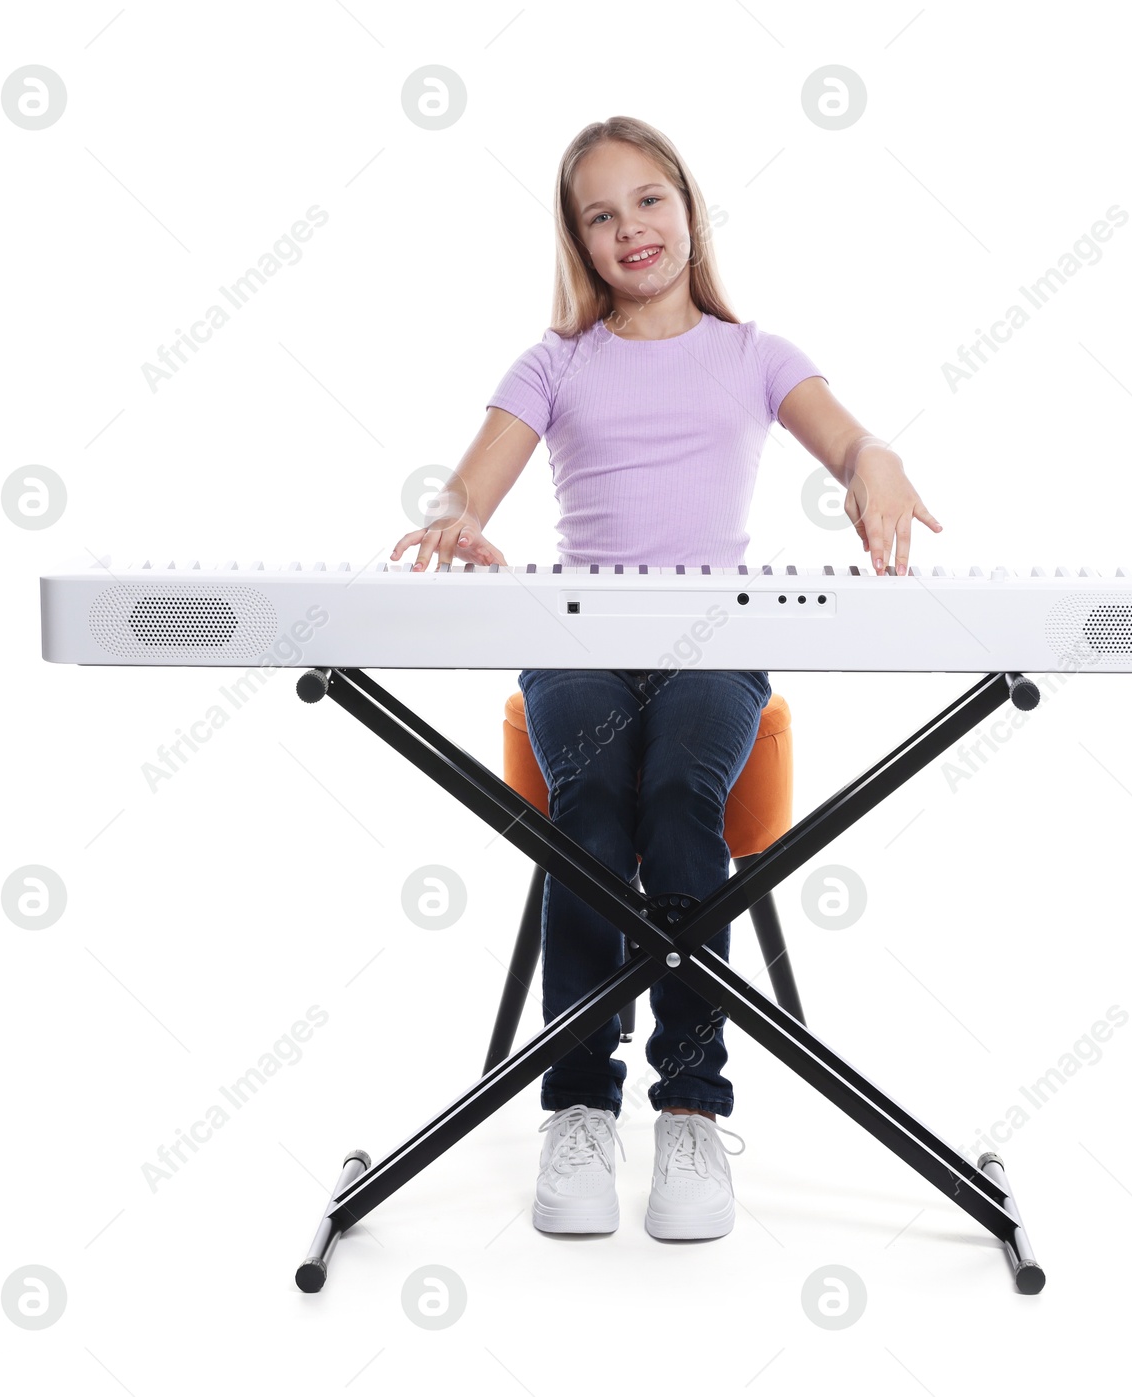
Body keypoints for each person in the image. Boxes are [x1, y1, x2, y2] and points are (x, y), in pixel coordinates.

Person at [390, 115, 941, 1241]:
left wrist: (875, 467)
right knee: (588, 805)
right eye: (600, 214)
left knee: (682, 792)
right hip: (581, 639)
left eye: (647, 200)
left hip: (715, 640)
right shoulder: (553, 361)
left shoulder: (754, 354)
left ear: (688, 207)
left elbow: (851, 443)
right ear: (578, 242)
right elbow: (462, 496)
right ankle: (578, 1104)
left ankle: (691, 1103)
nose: (629, 228)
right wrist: (455, 529)